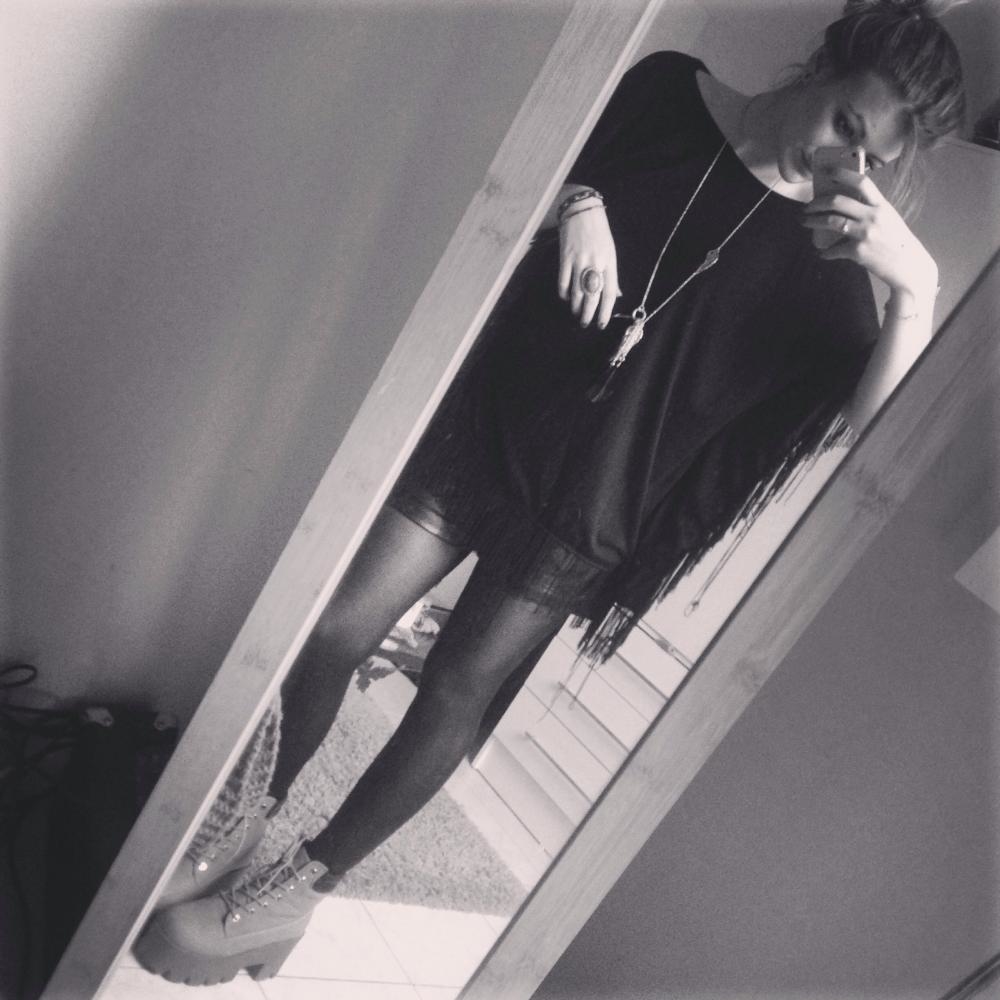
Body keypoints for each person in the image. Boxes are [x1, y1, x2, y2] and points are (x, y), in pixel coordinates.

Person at [135, 0, 965, 984]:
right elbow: (536, 154)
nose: (839, 160)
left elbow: (878, 438)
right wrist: (575, 201)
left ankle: (291, 897)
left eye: (869, 156)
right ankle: (236, 823)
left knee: (453, 689)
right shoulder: (668, 90)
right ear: (824, 62)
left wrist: (914, 291)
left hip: (589, 507)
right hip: (490, 424)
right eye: (844, 123)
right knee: (333, 625)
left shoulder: (832, 277)